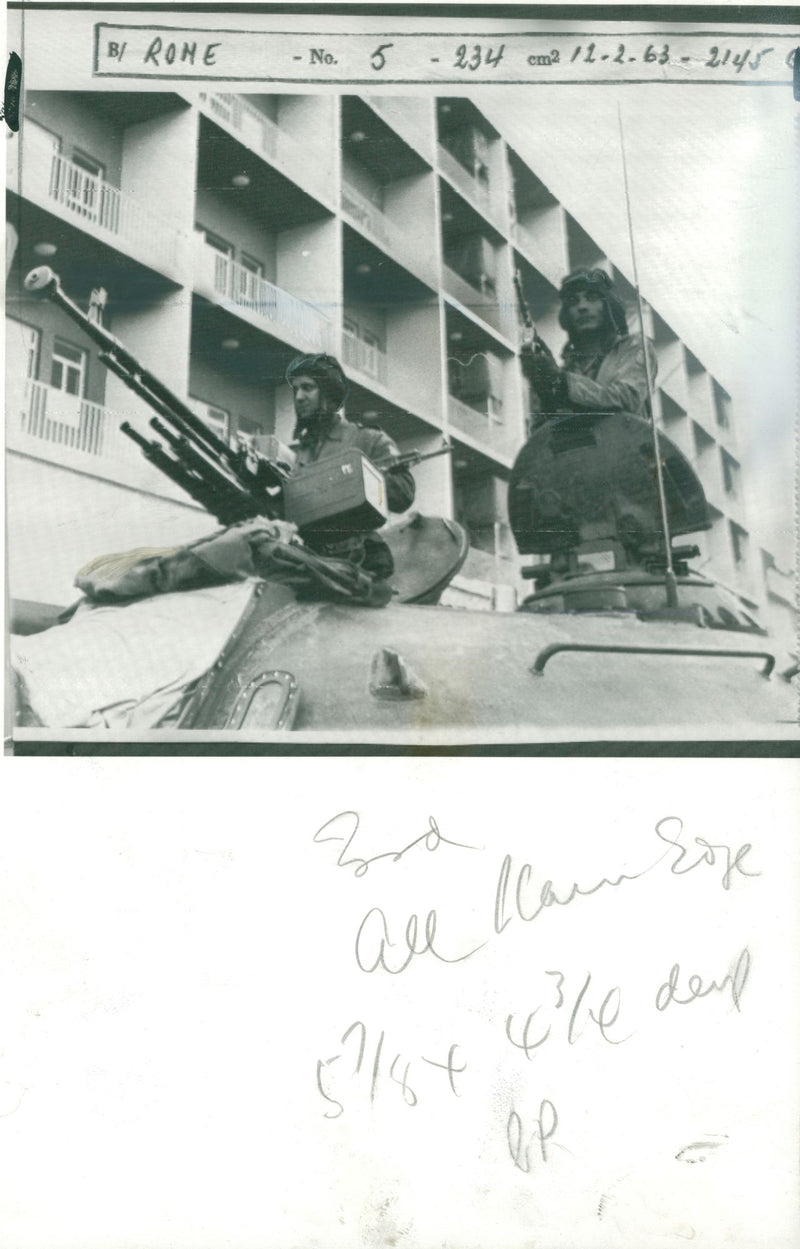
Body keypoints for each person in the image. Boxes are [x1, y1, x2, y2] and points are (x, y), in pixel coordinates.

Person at [285, 352, 415, 581]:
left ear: (328, 394)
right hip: (306, 564)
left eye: (308, 388)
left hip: (359, 564)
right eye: (296, 389)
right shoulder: (295, 454)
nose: (299, 397)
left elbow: (404, 493)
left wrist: (362, 478)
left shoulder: (366, 439)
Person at [521, 268, 657, 423]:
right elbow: (546, 431)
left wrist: (561, 381)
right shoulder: (569, 368)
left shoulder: (633, 347)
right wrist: (542, 384)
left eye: (591, 298)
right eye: (573, 301)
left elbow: (627, 399)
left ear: (609, 306)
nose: (582, 307)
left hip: (628, 445)